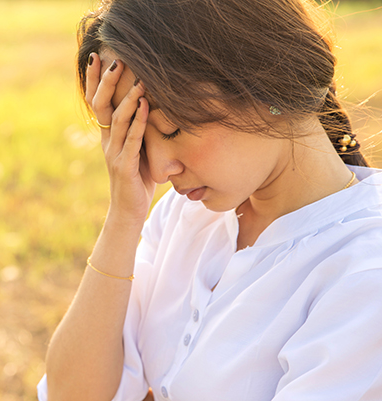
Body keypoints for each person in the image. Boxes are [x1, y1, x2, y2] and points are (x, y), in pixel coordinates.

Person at [38, 0, 382, 400]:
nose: (160, 169)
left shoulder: (364, 271)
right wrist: (123, 216)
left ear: (269, 82)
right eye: (133, 136)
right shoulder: (184, 217)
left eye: (171, 129)